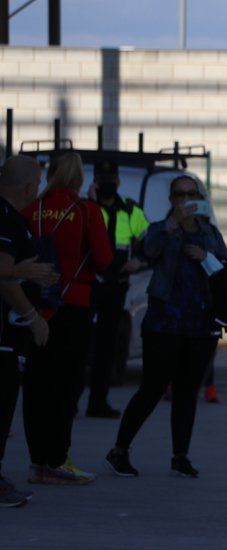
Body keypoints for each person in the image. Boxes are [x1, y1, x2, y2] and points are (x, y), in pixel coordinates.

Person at [107, 175, 227, 478]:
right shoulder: (162, 229)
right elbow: (146, 251)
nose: (185, 199)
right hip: (164, 323)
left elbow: (226, 268)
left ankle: (180, 455)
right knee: (152, 388)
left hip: (200, 324)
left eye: (191, 193)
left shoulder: (210, 233)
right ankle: (119, 449)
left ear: (200, 197)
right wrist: (173, 224)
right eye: (179, 194)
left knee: (188, 392)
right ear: (172, 199)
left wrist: (206, 257)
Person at [21, 152, 113, 485]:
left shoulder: (31, 210)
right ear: (78, 177)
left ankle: (37, 462)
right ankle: (58, 459)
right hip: (72, 306)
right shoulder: (87, 211)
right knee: (66, 385)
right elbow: (103, 260)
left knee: (35, 385)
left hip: (31, 307)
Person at [0, 156, 50, 507]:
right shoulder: (5, 219)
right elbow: (2, 274)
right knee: (2, 407)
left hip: (8, 334)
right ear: (30, 187)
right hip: (5, 335)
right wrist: (33, 316)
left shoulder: (13, 219)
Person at [85, 161, 149, 418]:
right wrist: (91, 203)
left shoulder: (130, 210)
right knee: (79, 345)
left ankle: (97, 402)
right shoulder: (87, 208)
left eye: (111, 179)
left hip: (116, 286)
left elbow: (149, 239)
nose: (107, 184)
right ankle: (69, 403)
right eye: (102, 179)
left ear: (118, 183)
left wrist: (140, 260)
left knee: (106, 347)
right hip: (89, 284)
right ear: (95, 183)